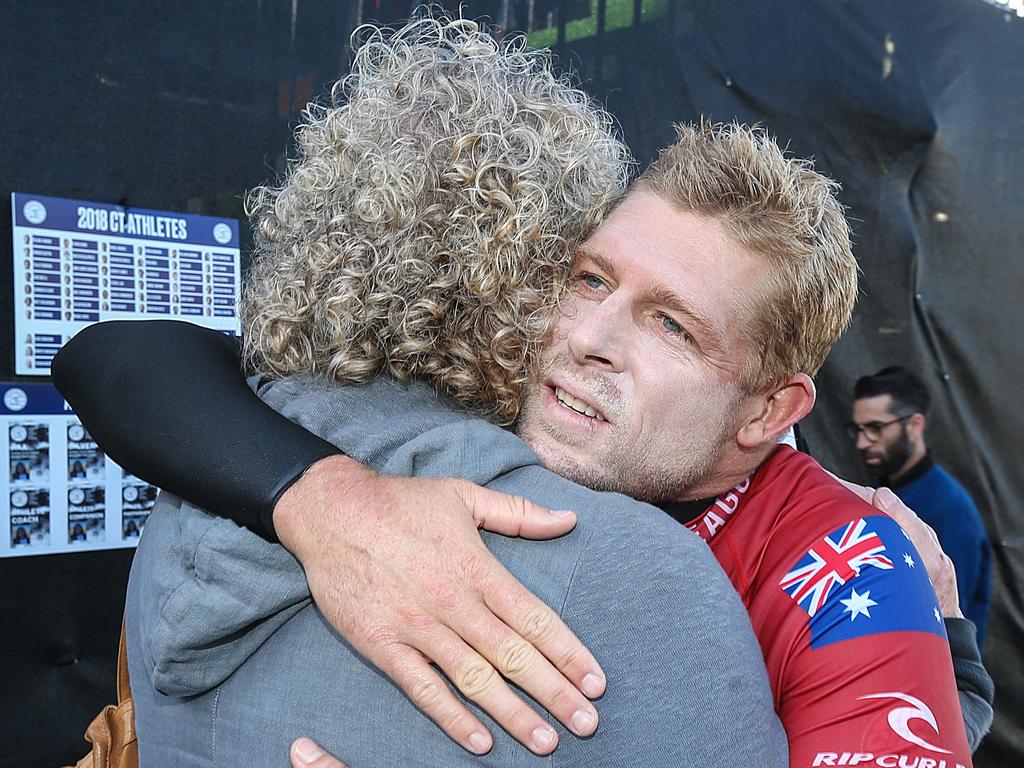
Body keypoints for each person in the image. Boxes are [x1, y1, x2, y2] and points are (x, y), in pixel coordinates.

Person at [54, 16, 987, 767]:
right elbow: (121, 356)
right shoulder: (457, 434)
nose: (588, 340)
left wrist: (949, 657)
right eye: (587, 279)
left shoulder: (848, 569)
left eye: (673, 325)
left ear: (768, 413)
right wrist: (324, 501)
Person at [850, 366, 992, 646]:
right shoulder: (879, 487)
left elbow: (947, 616)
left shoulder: (951, 511)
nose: (862, 442)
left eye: (876, 428)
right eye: (858, 429)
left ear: (915, 425)